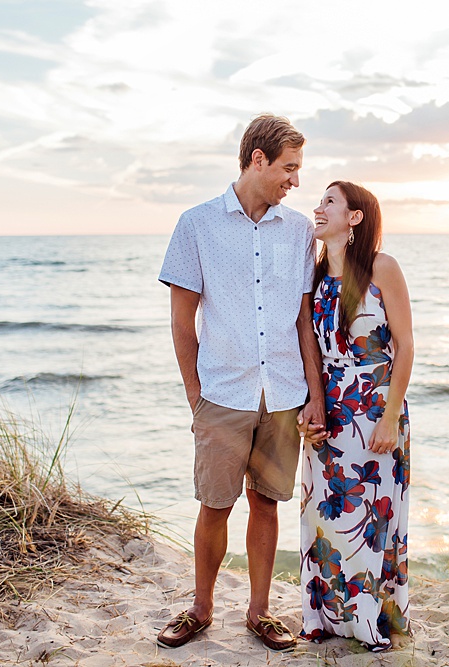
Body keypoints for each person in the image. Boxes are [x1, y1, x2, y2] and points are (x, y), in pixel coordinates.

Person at [156, 114, 325, 651]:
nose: (295, 181)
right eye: (289, 168)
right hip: (222, 394)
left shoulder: (298, 231)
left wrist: (314, 395)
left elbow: (303, 319)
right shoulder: (196, 224)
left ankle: (259, 613)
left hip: (282, 392)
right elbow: (183, 322)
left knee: (268, 503)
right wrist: (195, 397)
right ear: (258, 159)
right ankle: (201, 608)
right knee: (214, 505)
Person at [299, 181, 413, 651]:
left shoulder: (382, 268)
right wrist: (311, 402)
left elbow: (405, 348)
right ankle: (326, 618)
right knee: (323, 514)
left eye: (329, 201)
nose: (318, 208)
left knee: (372, 516)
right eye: (320, 201)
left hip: (375, 408)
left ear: (356, 217)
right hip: (329, 408)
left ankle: (371, 620)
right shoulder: (315, 272)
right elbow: (308, 345)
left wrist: (389, 418)